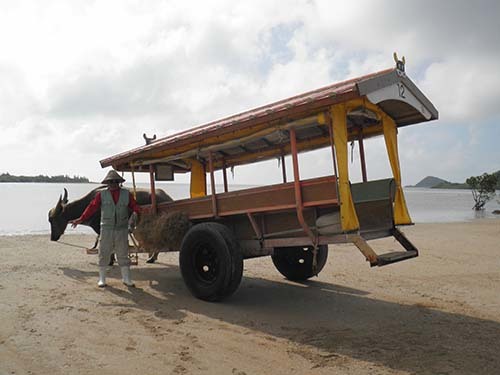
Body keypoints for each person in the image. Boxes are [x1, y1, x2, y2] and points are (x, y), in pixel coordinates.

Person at [70, 170, 140, 288]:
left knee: (123, 253)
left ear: (119, 182)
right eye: (110, 182)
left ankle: (126, 279)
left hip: (121, 229)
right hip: (106, 229)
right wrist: (80, 219)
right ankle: (102, 279)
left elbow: (135, 207)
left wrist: (140, 213)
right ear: (107, 183)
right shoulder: (101, 195)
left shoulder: (126, 194)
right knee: (104, 253)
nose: (113, 184)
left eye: (115, 181)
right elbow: (91, 208)